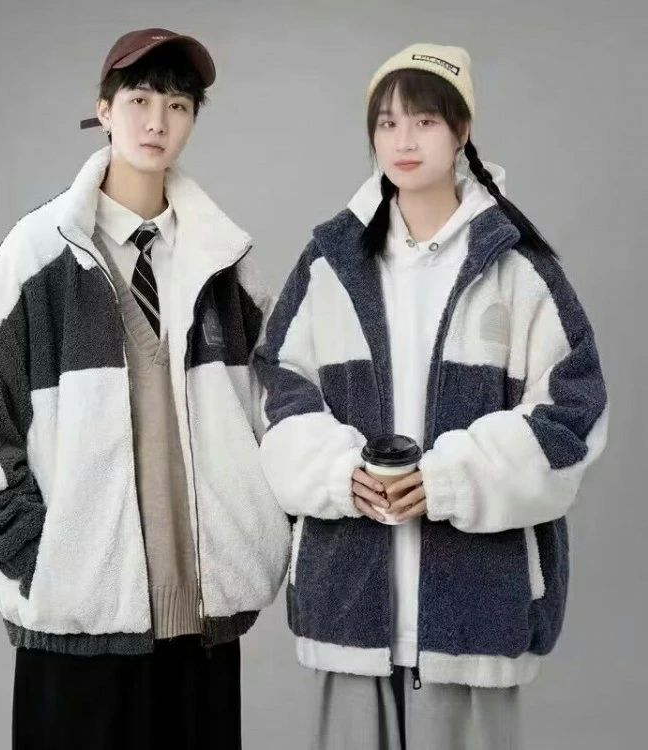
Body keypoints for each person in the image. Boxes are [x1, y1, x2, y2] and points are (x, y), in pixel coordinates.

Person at [0, 27, 290, 750]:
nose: (158, 121)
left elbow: (285, 413)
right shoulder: (38, 256)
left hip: (203, 631)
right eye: (140, 100)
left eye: (179, 106)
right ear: (104, 110)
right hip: (77, 634)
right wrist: (48, 561)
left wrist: (264, 537)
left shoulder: (225, 264)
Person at [255, 43, 608, 749]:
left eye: (424, 121)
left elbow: (574, 411)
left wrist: (452, 481)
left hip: (477, 609)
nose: (404, 141)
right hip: (350, 604)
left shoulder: (517, 268)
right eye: (387, 124)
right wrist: (338, 473)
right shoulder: (329, 265)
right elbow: (274, 387)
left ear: (461, 130)